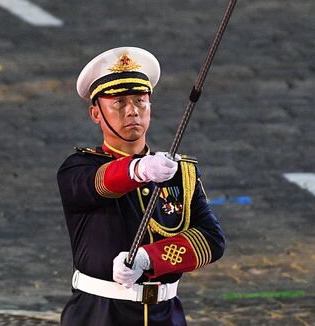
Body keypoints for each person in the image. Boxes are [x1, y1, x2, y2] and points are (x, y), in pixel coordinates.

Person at [58, 46, 225, 326]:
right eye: (119, 103)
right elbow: (101, 183)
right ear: (96, 114)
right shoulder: (78, 168)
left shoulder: (180, 172)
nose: (132, 111)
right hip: (100, 314)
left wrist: (150, 257)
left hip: (166, 314)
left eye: (140, 101)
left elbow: (211, 240)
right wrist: (139, 168)